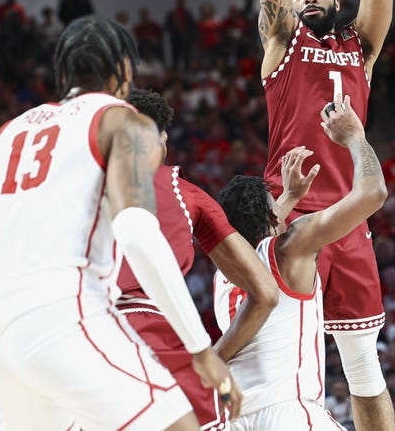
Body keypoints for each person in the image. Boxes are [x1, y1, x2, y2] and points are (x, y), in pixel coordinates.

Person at [0, 15, 240, 431]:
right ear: (125, 70)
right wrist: (200, 349)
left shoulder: (4, 137)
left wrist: (15, 328)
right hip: (63, 321)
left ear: (63, 71)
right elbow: (139, 235)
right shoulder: (123, 121)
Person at [256, 0, 395, 430]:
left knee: (364, 366)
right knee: (288, 360)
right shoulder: (283, 40)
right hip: (292, 213)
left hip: (350, 213)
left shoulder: (360, 46)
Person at [213, 97, 388, 430]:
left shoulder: (222, 270)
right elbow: (374, 193)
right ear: (271, 216)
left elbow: (257, 236)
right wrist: (354, 137)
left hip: (234, 418)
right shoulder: (292, 247)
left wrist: (290, 195)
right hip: (287, 412)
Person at [116, 88, 280, 430]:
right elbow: (266, 293)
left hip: (82, 332)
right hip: (157, 334)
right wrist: (213, 358)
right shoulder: (186, 193)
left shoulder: (78, 186)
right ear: (161, 139)